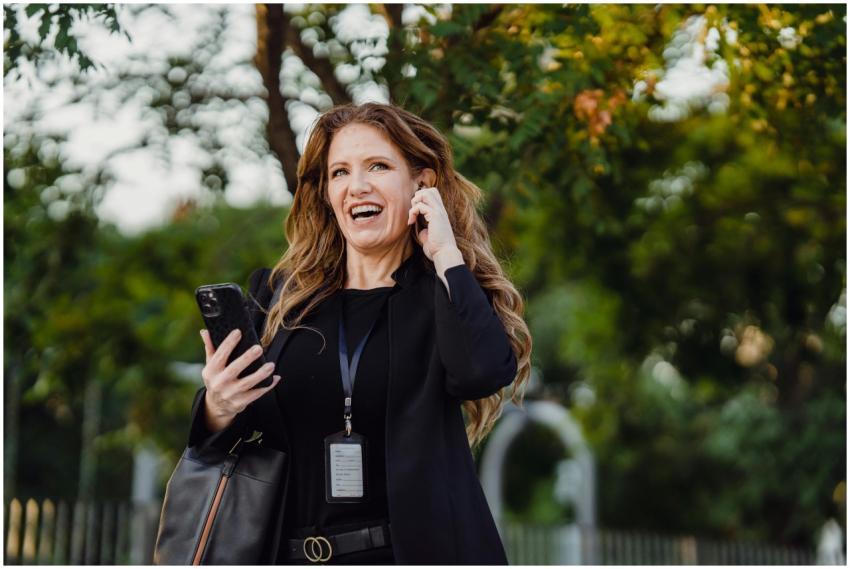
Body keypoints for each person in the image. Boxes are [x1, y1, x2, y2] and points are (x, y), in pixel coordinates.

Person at [187, 102, 532, 564]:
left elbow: (482, 373)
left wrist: (447, 252)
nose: (357, 186)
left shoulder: (445, 296)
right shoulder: (279, 299)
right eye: (340, 172)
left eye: (379, 166)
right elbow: (222, 442)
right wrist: (217, 406)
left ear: (421, 183)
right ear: (327, 192)